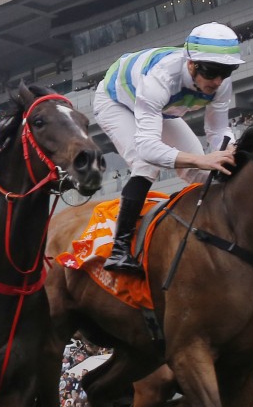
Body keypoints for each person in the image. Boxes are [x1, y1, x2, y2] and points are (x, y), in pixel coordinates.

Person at [94, 22, 243, 274]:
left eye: (225, 72)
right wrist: (201, 159)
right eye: (211, 72)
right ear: (191, 63)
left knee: (204, 174)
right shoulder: (162, 78)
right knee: (146, 164)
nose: (217, 81)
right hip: (116, 103)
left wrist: (228, 152)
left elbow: (218, 132)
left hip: (161, 111)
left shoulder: (220, 84)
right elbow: (147, 149)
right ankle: (119, 249)